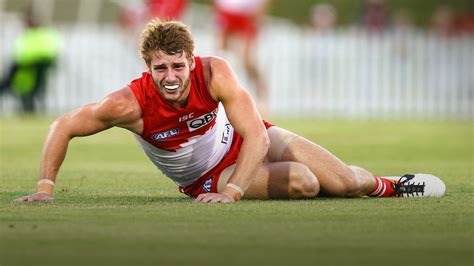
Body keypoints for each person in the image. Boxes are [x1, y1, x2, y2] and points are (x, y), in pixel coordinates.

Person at [16, 19, 446, 203]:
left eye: (177, 65)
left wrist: (235, 194)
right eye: (160, 67)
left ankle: (391, 185)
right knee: (306, 183)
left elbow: (257, 134)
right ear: (147, 67)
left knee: (347, 181)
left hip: (248, 141)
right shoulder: (126, 104)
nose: (170, 76)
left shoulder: (215, 72)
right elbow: (63, 125)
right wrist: (45, 187)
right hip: (207, 176)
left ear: (191, 59)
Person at [213, 0, 270, 115]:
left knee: (247, 61)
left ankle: (262, 97)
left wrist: (260, 12)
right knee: (220, 57)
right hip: (226, 11)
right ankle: (221, 101)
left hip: (247, 13)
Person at [0, 10, 60, 113]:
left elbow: (50, 52)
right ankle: (27, 111)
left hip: (36, 67)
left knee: (31, 91)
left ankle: (29, 111)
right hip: (22, 67)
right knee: (18, 88)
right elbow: (19, 52)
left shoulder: (45, 34)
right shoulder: (26, 34)